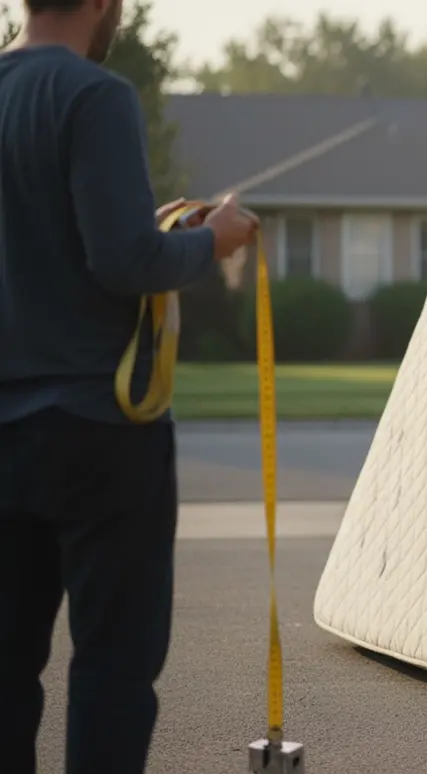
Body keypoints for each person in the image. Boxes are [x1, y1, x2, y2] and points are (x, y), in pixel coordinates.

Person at [0, 1, 260, 772]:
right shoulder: (94, 95)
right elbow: (122, 261)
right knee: (112, 664)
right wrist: (212, 239)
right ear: (100, 3)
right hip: (100, 434)